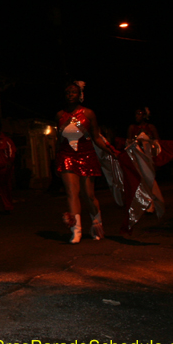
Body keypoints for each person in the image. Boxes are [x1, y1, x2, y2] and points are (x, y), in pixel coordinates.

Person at [55, 81, 117, 243]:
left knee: (88, 195)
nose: (70, 95)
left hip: (87, 155)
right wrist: (57, 159)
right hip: (67, 156)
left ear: (80, 95)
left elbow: (96, 137)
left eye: (73, 92)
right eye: (67, 92)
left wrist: (111, 150)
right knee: (71, 193)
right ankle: (76, 230)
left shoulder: (89, 113)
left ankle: (96, 224)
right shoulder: (59, 115)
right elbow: (59, 140)